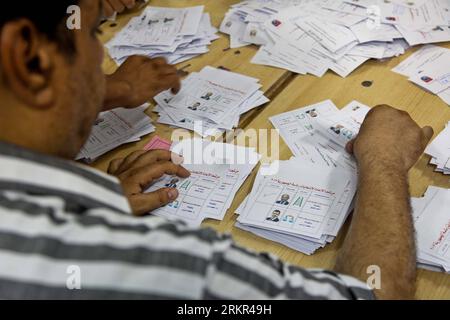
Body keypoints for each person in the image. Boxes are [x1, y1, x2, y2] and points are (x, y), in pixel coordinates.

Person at [0, 0, 434, 300]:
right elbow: (371, 294)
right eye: (94, 31)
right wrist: (382, 160)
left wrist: (82, 200)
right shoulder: (149, 263)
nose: (102, 56)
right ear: (29, 59)